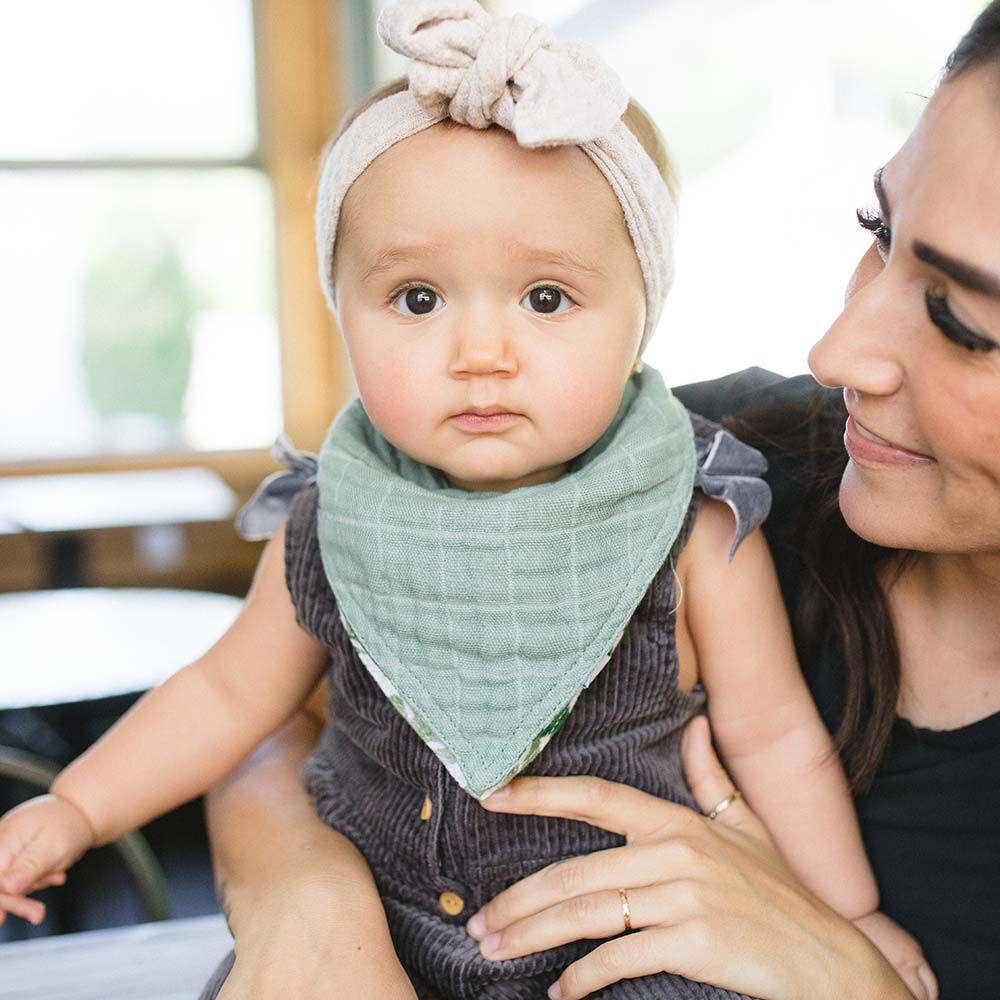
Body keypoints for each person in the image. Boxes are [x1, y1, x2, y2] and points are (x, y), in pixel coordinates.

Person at [0, 1, 957, 998]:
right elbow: (225, 695)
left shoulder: (685, 512)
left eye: (546, 298)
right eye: (418, 298)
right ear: (342, 309)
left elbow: (773, 736)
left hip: (626, 939)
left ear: (643, 313)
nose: (480, 354)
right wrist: (75, 807)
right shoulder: (337, 515)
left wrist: (840, 918)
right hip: (378, 932)